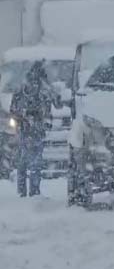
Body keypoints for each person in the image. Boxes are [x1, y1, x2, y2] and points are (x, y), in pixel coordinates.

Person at [9, 61, 59, 197]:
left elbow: (48, 112)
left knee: (30, 162)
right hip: (27, 130)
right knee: (27, 162)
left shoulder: (40, 93)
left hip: (33, 131)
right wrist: (22, 120)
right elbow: (13, 110)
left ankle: (30, 191)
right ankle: (27, 192)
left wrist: (44, 122)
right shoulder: (24, 92)